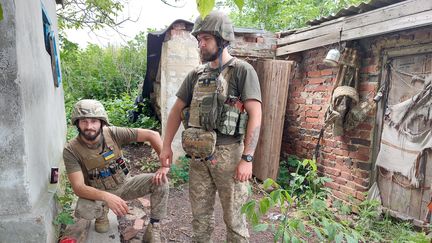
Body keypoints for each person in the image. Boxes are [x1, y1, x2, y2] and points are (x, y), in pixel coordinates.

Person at [159, 11, 262, 243]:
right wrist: (166, 146)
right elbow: (176, 111)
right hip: (199, 157)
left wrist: (247, 158)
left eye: (205, 39)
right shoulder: (196, 74)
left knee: (235, 220)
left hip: (230, 155)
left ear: (222, 39)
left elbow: (256, 114)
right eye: (199, 40)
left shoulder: (242, 71)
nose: (201, 44)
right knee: (200, 218)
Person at [63, 99, 169, 243]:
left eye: (94, 121)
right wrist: (106, 197)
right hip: (98, 195)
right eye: (84, 121)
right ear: (77, 123)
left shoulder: (113, 133)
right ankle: (102, 213)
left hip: (125, 185)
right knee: (86, 209)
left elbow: (153, 135)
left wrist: (164, 166)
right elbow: (78, 187)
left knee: (160, 182)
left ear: (101, 122)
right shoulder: (71, 150)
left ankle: (154, 227)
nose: (89, 126)